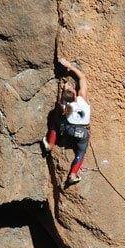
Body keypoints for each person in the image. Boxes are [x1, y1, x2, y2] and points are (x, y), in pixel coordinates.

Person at [42, 57, 91, 186]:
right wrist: (70, 66)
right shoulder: (82, 99)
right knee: (81, 152)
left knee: (56, 121)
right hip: (82, 133)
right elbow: (82, 78)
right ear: (75, 94)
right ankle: (73, 174)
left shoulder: (64, 107)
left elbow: (63, 102)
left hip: (68, 130)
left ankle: (50, 144)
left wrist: (64, 89)